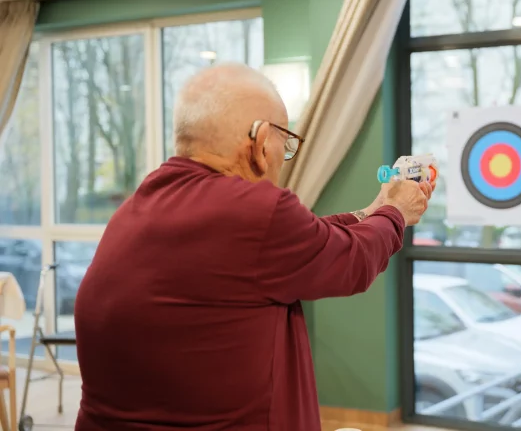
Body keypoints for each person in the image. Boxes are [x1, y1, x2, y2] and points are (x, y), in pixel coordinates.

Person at [74, 63, 433, 431]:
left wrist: (374, 211)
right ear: (261, 142)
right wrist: (397, 213)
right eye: (286, 143)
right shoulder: (257, 210)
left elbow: (312, 241)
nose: (283, 156)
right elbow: (352, 261)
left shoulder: (139, 205)